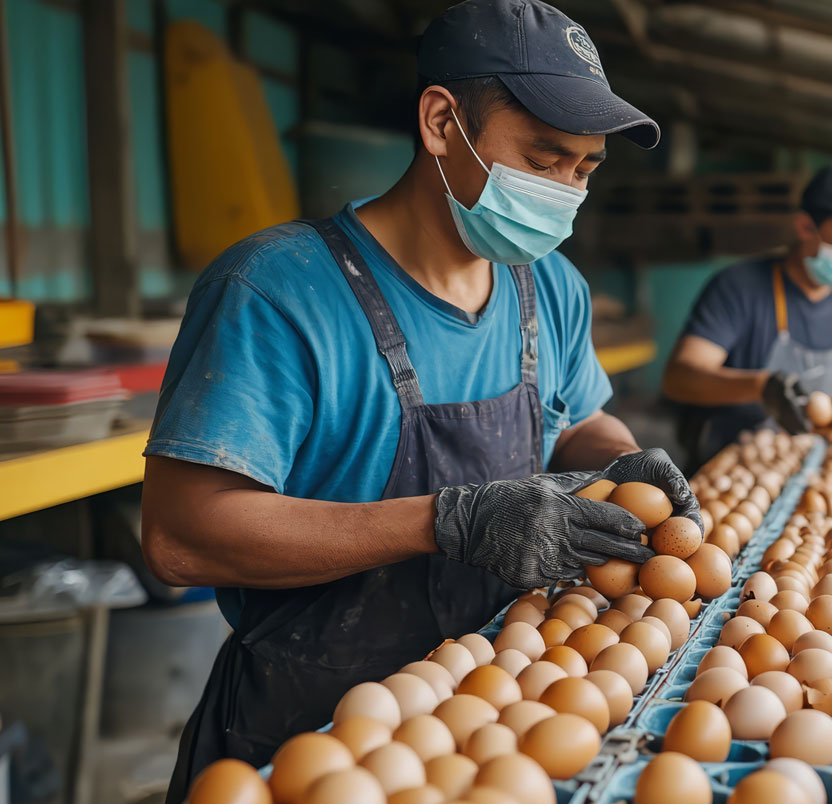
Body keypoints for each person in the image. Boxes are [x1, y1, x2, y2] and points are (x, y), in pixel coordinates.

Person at [142, 2, 694, 796]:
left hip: (500, 724)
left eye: (583, 170)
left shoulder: (553, 289)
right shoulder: (276, 291)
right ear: (441, 122)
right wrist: (447, 521)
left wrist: (620, 460)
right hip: (309, 731)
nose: (565, 191)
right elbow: (179, 539)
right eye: (543, 159)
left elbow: (574, 420)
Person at [661, 161, 832, 466]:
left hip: (821, 463)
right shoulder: (738, 288)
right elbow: (680, 378)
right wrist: (761, 387)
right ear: (805, 227)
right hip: (737, 461)